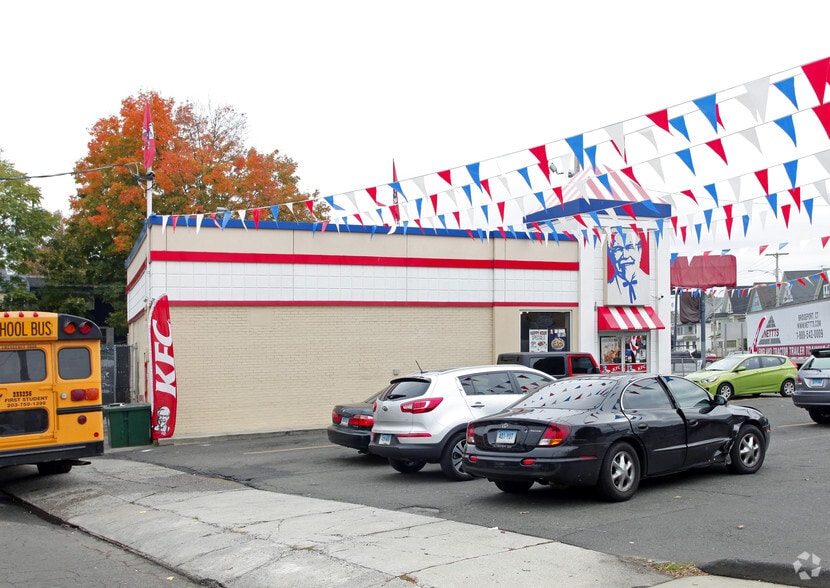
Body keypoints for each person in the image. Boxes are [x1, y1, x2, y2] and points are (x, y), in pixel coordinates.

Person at [608, 230, 643, 304]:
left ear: (639, 251)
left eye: (630, 247)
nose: (625, 255)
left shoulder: (647, 286)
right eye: (618, 249)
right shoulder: (609, 288)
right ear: (611, 254)